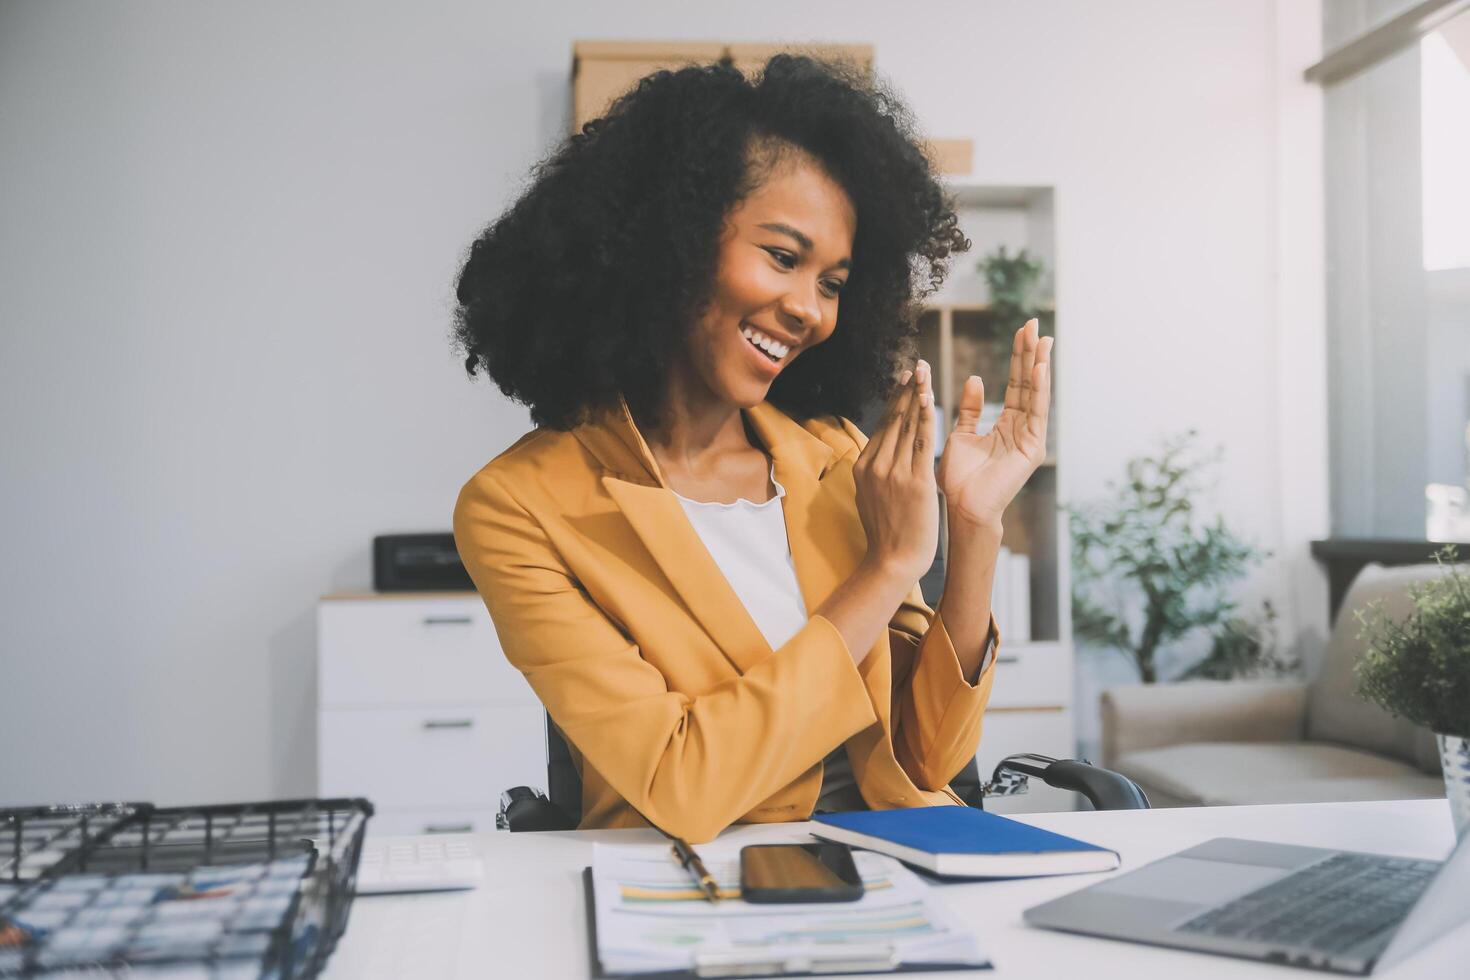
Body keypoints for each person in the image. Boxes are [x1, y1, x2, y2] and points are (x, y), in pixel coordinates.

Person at [451, 55, 1054, 843]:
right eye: (782, 256)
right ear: (670, 241)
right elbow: (684, 784)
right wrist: (884, 570)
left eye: (833, 282)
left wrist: (971, 529)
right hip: (691, 892)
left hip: (894, 875)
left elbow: (927, 759)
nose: (808, 309)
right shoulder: (521, 507)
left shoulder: (835, 456)